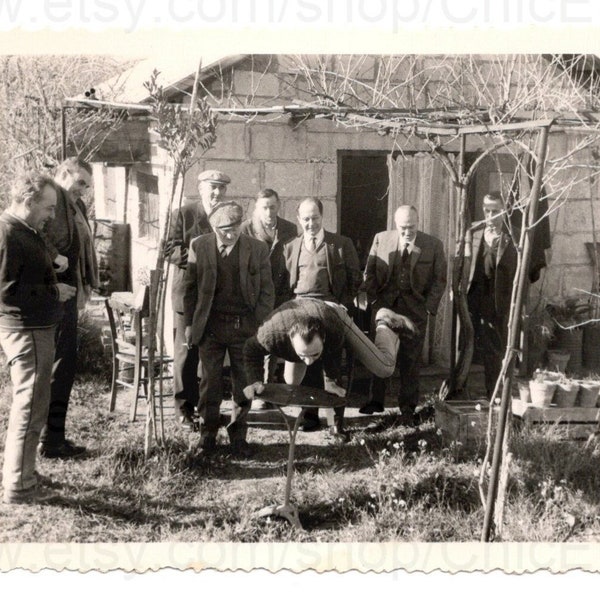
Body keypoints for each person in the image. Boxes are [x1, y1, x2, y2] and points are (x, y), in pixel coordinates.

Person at [0, 172, 77, 503]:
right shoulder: (7, 234)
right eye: (47, 208)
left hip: (35, 327)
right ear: (28, 201)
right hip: (25, 330)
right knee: (30, 406)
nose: (50, 215)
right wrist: (53, 291)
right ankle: (19, 485)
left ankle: (24, 470)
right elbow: (6, 291)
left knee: (35, 404)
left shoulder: (24, 229)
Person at [242, 298, 416, 441]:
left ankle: (384, 322)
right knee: (291, 381)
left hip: (331, 313)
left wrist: (337, 426)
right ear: (289, 340)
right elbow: (250, 351)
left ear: (323, 339)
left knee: (384, 368)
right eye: (303, 356)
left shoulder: (333, 331)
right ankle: (307, 353)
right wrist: (255, 381)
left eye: (315, 355)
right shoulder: (270, 334)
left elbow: (334, 378)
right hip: (297, 312)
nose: (309, 363)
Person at [183, 201, 274, 456]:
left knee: (243, 384)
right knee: (209, 382)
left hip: (243, 328)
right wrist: (189, 324)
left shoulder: (257, 249)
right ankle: (207, 434)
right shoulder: (199, 246)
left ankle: (238, 436)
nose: (230, 234)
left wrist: (259, 324)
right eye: (224, 230)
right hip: (210, 327)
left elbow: (267, 291)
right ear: (214, 229)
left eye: (234, 228)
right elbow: (189, 290)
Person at [360, 205, 447, 426]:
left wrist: (428, 307)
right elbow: (369, 272)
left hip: (415, 311)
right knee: (378, 354)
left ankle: (407, 408)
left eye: (411, 227)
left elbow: (439, 280)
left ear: (418, 223)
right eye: (402, 227)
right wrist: (374, 303)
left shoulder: (433, 245)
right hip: (385, 308)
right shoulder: (381, 239)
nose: (407, 232)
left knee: (411, 360)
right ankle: (375, 401)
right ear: (395, 225)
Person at [38, 157, 98, 459]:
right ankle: (49, 439)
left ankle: (55, 434)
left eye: (87, 186)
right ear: (63, 174)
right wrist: (54, 256)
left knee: (66, 364)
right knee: (58, 365)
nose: (83, 190)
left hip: (70, 292)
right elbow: (33, 232)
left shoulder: (74, 205)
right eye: (80, 182)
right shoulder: (49, 199)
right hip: (53, 292)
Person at [166, 169, 230, 430]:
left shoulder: (224, 216)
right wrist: (198, 260)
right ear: (201, 187)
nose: (217, 193)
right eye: (212, 187)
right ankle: (183, 409)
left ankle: (206, 409)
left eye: (221, 188)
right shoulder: (184, 213)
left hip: (215, 296)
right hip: (188, 295)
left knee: (209, 356)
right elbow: (168, 249)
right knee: (186, 353)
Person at [240, 188, 297, 406]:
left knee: (274, 342)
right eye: (264, 207)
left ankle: (268, 387)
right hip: (255, 295)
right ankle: (256, 391)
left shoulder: (289, 229)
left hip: (280, 294)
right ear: (257, 208)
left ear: (279, 206)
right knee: (255, 341)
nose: (269, 212)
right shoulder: (246, 229)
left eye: (273, 206)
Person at [467, 192, 518, 399]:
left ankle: (495, 392)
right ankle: (464, 390)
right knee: (471, 344)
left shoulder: (514, 236)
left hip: (500, 301)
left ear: (505, 211)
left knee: (495, 347)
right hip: (475, 297)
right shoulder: (474, 232)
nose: (489, 215)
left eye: (495, 211)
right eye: (486, 210)